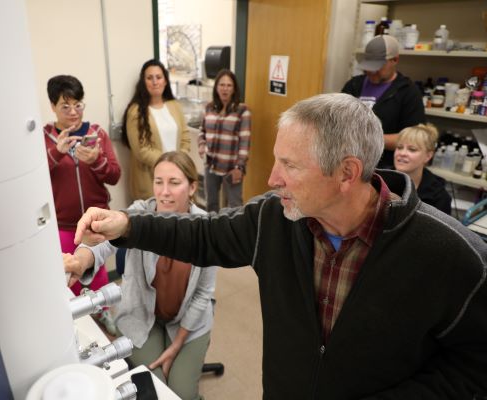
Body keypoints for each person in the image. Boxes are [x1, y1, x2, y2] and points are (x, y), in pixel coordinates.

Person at [74, 93, 487, 399]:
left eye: (289, 166)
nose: (272, 179)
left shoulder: (452, 255)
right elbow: (204, 235)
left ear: (346, 173)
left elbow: (474, 366)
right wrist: (126, 225)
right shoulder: (274, 218)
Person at [65, 151, 216, 400]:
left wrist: (177, 345)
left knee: (182, 394)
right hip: (143, 317)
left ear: (192, 188)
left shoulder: (206, 227)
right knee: (155, 388)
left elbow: (203, 294)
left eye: (174, 183)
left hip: (189, 324)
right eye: (159, 182)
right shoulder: (138, 215)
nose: (164, 191)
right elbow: (103, 242)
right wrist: (80, 261)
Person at [43, 75, 120, 333]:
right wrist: (57, 154)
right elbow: (35, 179)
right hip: (64, 223)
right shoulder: (44, 137)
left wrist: (97, 160)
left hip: (97, 219)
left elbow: (114, 175)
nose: (74, 112)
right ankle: (81, 323)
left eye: (78, 105)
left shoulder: (96, 133)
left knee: (97, 272)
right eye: (65, 106)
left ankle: (103, 312)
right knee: (71, 276)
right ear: (53, 106)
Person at [342, 34, 425, 169]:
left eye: (378, 66)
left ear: (395, 60)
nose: (371, 71)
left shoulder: (408, 92)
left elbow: (414, 139)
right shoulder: (353, 85)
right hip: (349, 160)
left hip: (384, 167)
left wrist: (368, 140)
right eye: (369, 66)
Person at [121, 59, 191, 201]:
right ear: (143, 82)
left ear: (165, 81)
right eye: (149, 78)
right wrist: (169, 164)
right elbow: (142, 150)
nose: (155, 82)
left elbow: (185, 138)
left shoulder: (175, 106)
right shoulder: (136, 111)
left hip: (177, 175)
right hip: (150, 180)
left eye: (159, 77)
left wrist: (179, 163)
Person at [198, 69, 251, 212]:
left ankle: (234, 234)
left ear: (234, 89)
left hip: (231, 168)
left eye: (229, 85)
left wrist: (239, 167)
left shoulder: (242, 111)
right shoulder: (208, 107)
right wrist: (202, 145)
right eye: (222, 85)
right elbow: (202, 131)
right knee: (211, 205)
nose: (225, 89)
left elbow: (244, 143)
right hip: (211, 165)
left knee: (235, 207)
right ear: (216, 87)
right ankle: (211, 233)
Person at [394, 123, 451, 215]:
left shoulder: (439, 198)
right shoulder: (379, 180)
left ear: (428, 156)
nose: (402, 153)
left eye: (412, 149)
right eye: (399, 147)